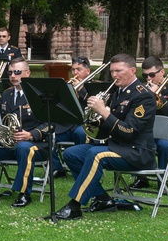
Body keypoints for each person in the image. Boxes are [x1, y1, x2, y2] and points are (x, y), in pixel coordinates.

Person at [56, 53, 156, 219]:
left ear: (132, 70)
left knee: (96, 155)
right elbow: (109, 127)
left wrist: (103, 111)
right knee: (71, 153)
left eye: (119, 71)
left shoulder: (143, 95)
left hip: (137, 151)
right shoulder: (117, 91)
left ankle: (74, 205)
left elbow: (129, 131)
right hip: (117, 145)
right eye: (112, 71)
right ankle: (102, 199)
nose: (114, 75)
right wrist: (95, 119)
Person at [0, 58, 50, 207]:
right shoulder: (6, 94)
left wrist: (31, 134)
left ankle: (24, 193)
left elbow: (51, 124)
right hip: (10, 144)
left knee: (23, 147)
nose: (13, 76)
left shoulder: (39, 94)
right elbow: (0, 119)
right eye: (11, 72)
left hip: (36, 144)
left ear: (28, 73)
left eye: (17, 72)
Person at [132, 56, 168, 189]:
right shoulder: (141, 89)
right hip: (147, 134)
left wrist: (159, 98)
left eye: (152, 75)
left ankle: (163, 180)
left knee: (165, 145)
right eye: (145, 75)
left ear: (162, 72)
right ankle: (141, 178)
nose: (148, 79)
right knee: (135, 141)